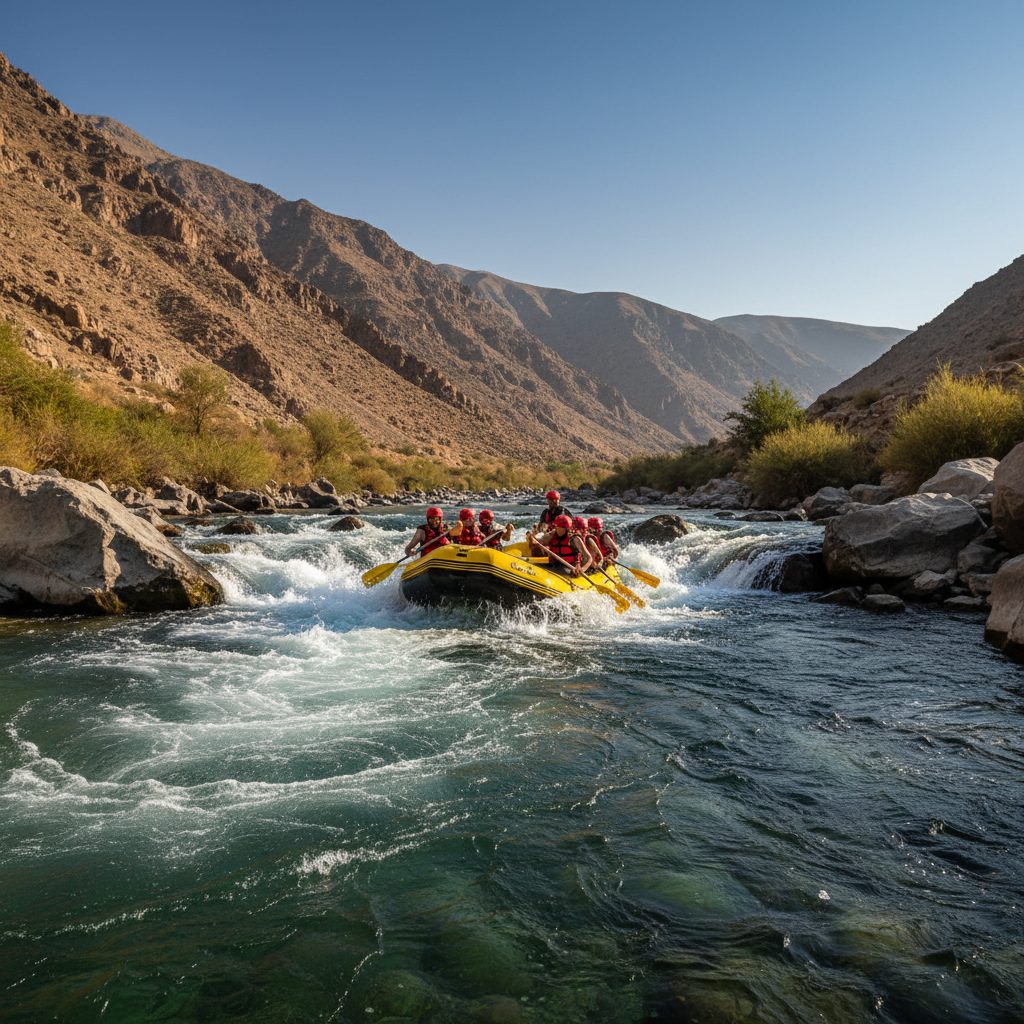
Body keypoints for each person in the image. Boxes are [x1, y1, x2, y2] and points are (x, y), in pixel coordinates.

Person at [532, 490, 571, 555]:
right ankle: (536, 542)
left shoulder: (563, 511)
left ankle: (539, 544)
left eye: (553, 499)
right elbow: (542, 525)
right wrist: (537, 529)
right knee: (535, 531)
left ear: (557, 500)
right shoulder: (546, 512)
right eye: (549, 499)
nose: (551, 501)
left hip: (559, 533)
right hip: (548, 532)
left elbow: (566, 526)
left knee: (544, 537)